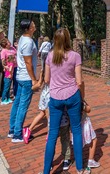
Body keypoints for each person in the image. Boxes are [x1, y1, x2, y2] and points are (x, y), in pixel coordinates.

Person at [40, 28, 89, 174]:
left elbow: (47, 79)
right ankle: (80, 168)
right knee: (76, 131)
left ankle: (46, 171)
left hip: (55, 97)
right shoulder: (75, 56)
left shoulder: (50, 56)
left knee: (53, 133)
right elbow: (79, 81)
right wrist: (83, 98)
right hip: (72, 95)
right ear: (68, 39)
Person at [8, 19, 40, 143]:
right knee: (23, 105)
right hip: (26, 78)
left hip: (20, 76)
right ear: (28, 28)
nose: (34, 25)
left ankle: (12, 129)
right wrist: (33, 79)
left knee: (17, 103)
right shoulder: (28, 42)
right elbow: (28, 63)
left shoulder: (22, 39)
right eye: (33, 24)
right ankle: (17, 134)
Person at [80, 100, 100, 168]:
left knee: (78, 141)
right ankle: (90, 160)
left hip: (74, 124)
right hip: (84, 122)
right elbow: (88, 109)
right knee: (93, 139)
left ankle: (79, 161)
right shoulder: (78, 98)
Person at [0, 38, 16, 105]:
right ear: (5, 45)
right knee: (6, 86)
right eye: (8, 42)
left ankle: (8, 98)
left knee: (9, 86)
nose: (10, 43)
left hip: (13, 69)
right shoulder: (3, 51)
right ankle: (3, 99)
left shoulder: (13, 48)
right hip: (8, 72)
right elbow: (3, 61)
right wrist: (6, 67)